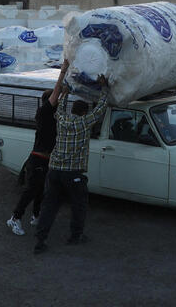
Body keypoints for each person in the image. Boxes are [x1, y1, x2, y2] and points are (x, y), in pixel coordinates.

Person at [33, 60, 109, 254]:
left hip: (54, 170)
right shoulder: (84, 123)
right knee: (79, 205)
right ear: (83, 112)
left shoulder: (61, 119)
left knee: (49, 206)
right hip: (73, 174)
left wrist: (65, 92)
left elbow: (60, 106)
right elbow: (101, 108)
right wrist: (104, 87)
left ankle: (40, 239)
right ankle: (76, 236)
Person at [6, 62, 68, 236]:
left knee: (41, 189)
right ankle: (15, 218)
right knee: (31, 190)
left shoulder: (53, 116)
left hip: (45, 160)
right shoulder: (43, 113)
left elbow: (59, 99)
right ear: (49, 102)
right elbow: (55, 94)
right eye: (54, 100)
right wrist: (63, 71)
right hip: (38, 159)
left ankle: (36, 215)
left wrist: (66, 93)